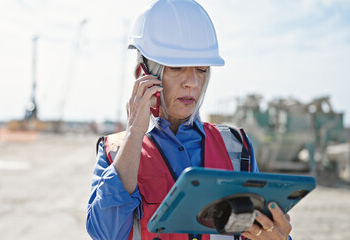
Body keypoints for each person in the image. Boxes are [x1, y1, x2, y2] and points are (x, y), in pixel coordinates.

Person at [86, 0, 292, 239]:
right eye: (177, 67)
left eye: (202, 70)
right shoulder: (114, 152)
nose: (193, 82)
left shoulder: (236, 147)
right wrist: (134, 132)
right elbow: (104, 233)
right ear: (143, 75)